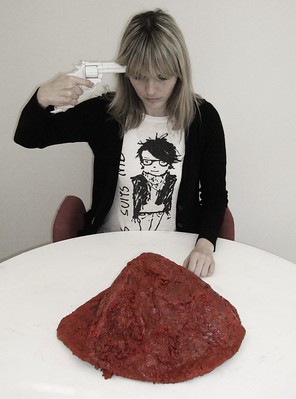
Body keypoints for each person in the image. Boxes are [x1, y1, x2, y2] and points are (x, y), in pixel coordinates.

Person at [14, 9, 228, 277]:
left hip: (177, 254)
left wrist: (205, 245)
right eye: (139, 76)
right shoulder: (106, 113)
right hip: (108, 252)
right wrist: (42, 98)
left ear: (180, 72)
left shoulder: (203, 118)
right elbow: (29, 137)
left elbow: (214, 195)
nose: (150, 90)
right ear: (125, 72)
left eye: (162, 77)